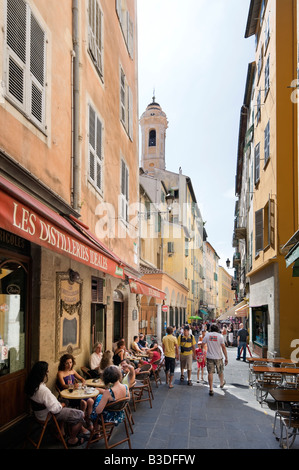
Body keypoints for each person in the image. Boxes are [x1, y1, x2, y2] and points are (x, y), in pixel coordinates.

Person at [24, 361, 86, 447]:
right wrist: (62, 405)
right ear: (42, 374)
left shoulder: (31, 386)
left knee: (65, 401)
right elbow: (56, 409)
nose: (47, 373)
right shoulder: (43, 390)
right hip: (49, 415)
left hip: (38, 414)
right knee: (81, 415)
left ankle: (61, 431)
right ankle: (73, 440)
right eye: (46, 371)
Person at [202, 323, 228, 396]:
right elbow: (223, 347)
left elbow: (202, 345)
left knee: (210, 372)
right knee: (220, 371)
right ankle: (221, 383)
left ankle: (211, 388)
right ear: (217, 329)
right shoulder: (220, 336)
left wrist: (203, 353)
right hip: (218, 357)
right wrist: (226, 357)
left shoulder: (207, 335)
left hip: (209, 357)